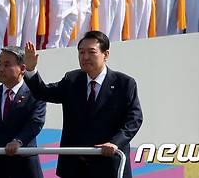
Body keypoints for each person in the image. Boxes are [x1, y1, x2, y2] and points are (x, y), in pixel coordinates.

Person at [24, 31, 143, 178]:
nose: (85, 57)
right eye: (81, 52)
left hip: (108, 165)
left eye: (91, 52)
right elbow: (44, 92)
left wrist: (115, 143)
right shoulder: (72, 79)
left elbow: (134, 118)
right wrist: (30, 70)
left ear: (105, 54)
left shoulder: (124, 83)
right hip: (75, 167)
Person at [0, 45, 46, 178]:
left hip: (24, 168)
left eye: (7, 65)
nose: (1, 69)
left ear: (22, 69)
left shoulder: (35, 94)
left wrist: (18, 141)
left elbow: (35, 123)